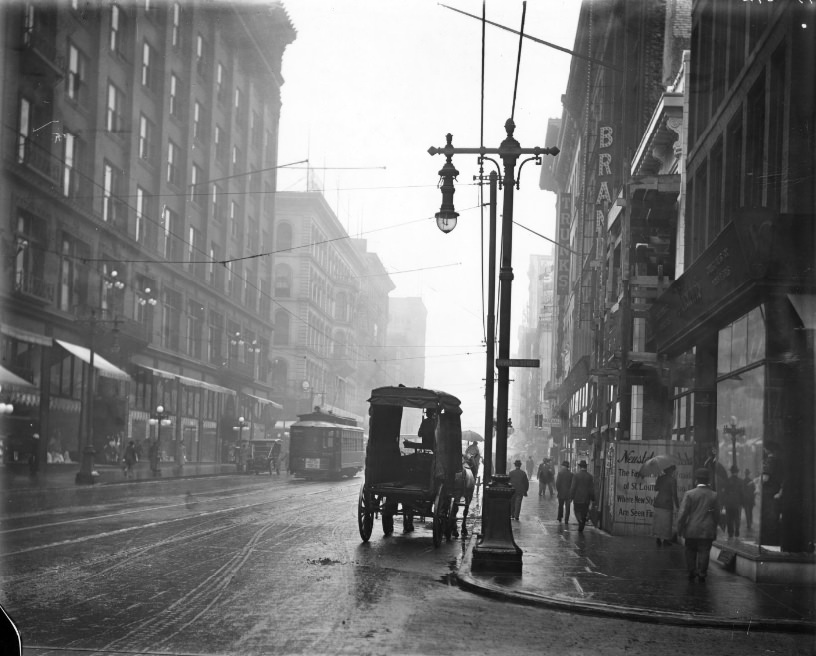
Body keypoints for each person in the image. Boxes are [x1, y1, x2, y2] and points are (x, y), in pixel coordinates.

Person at [677, 468, 719, 582]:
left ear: (696, 480)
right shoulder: (714, 495)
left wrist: (679, 529)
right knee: (704, 552)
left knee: (690, 551)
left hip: (691, 529)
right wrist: (715, 527)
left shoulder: (689, 494)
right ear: (708, 480)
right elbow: (717, 515)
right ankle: (702, 573)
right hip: (707, 530)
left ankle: (691, 572)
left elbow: (682, 513)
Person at [652, 464, 680, 546]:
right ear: (671, 471)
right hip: (667, 503)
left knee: (658, 521)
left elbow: (656, 488)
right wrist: (677, 506)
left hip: (658, 501)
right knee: (667, 522)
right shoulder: (672, 480)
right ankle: (666, 540)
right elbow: (674, 494)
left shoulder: (660, 478)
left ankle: (658, 538)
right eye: (673, 470)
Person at [569, 460, 595, 532]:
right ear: (586, 467)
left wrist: (571, 497)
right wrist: (592, 498)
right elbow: (591, 488)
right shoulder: (590, 476)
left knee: (577, 511)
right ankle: (582, 524)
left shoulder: (576, 475)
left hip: (577, 498)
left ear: (580, 467)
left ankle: (580, 521)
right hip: (586, 499)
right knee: (584, 512)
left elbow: (573, 487)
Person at [723, 465, 743, 538]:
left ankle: (730, 532)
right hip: (737, 502)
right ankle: (737, 530)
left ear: (731, 472)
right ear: (737, 472)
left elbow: (725, 492)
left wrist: (724, 502)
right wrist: (742, 502)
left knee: (729, 518)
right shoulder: (740, 481)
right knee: (737, 517)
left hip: (729, 502)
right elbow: (742, 493)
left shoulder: (727, 480)